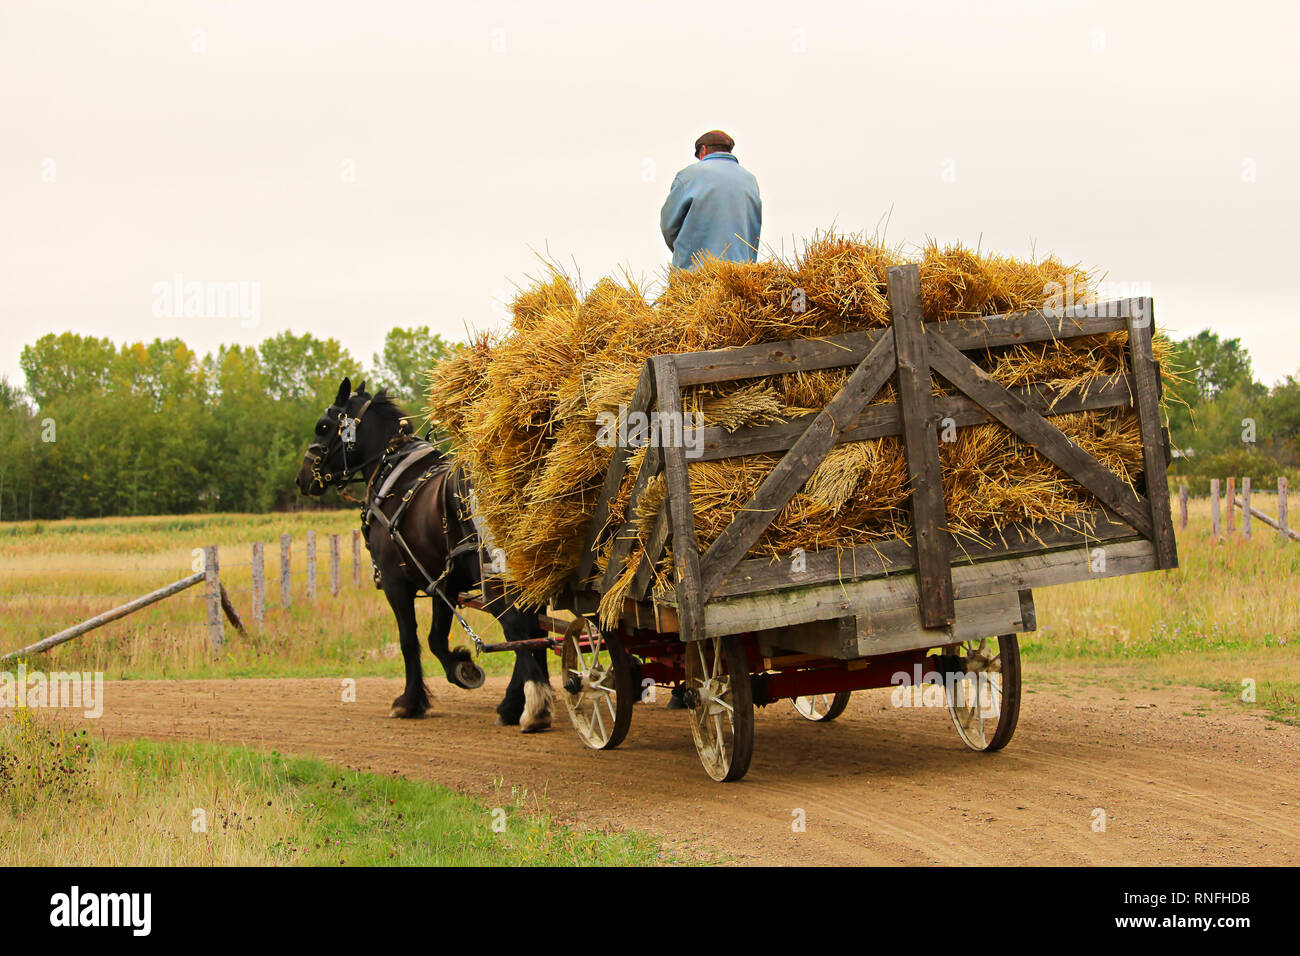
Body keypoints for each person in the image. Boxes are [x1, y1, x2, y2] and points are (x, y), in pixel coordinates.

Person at [659, 130, 762, 271]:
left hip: (696, 275)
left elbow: (668, 226)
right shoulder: (750, 180)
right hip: (741, 275)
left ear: (703, 150)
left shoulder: (689, 175)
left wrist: (685, 252)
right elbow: (754, 228)